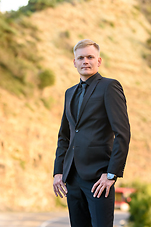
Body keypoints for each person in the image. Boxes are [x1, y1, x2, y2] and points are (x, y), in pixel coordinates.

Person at [53, 39, 130, 227]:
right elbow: (65, 136)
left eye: (90, 57)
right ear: (74, 62)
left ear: (99, 61)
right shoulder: (69, 93)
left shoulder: (109, 87)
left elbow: (122, 134)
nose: (85, 61)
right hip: (72, 178)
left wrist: (111, 174)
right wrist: (58, 171)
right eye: (81, 58)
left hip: (99, 179)